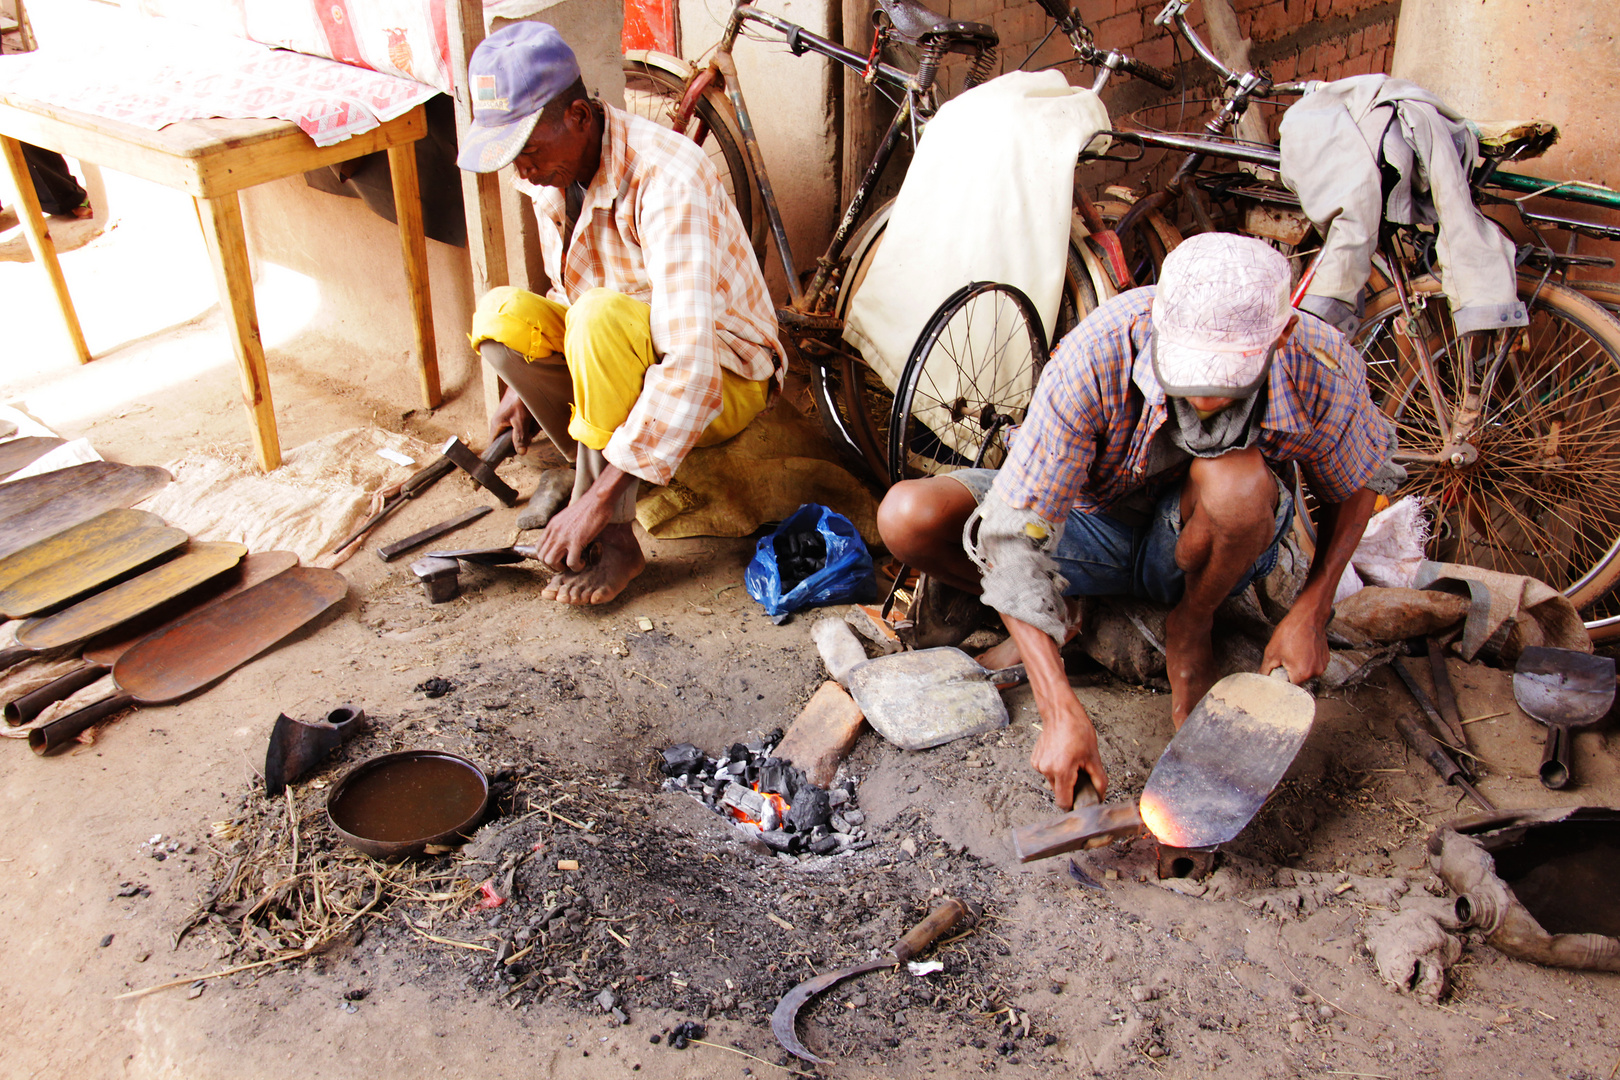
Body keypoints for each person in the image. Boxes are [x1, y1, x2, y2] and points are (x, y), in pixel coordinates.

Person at [878, 233, 1401, 810]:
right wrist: (1059, 708)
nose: (1202, 403)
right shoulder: (1098, 353)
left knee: (1235, 480)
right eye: (1188, 376)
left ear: (1281, 337)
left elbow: (1357, 483)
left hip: (1194, 545)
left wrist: (1313, 609)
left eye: (1222, 385)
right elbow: (1013, 534)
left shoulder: (1317, 363)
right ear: (1157, 318)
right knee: (908, 515)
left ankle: (1191, 623)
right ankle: (1065, 615)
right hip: (1087, 527)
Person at [456, 22, 783, 605]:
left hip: (727, 372)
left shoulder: (667, 178)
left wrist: (601, 499)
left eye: (529, 150)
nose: (522, 171)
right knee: (502, 317)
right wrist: (523, 381)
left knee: (598, 319)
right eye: (511, 156)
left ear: (578, 117)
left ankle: (616, 535)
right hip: (631, 346)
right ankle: (598, 475)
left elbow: (693, 367)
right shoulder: (550, 176)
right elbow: (569, 289)